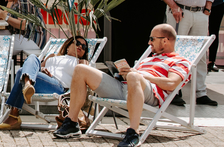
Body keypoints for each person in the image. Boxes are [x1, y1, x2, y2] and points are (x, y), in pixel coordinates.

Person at [54, 24, 190, 147]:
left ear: (164, 40)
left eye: (152, 39)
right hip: (126, 87)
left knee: (133, 76)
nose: (149, 42)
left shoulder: (179, 61)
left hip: (150, 93)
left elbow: (171, 84)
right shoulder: (149, 59)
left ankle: (133, 133)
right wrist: (121, 74)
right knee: (80, 69)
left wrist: (139, 75)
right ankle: (72, 123)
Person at [0, 36, 89, 130]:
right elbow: (34, 67)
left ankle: (14, 115)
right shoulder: (53, 56)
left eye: (84, 47)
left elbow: (85, 77)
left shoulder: (81, 62)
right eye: (77, 43)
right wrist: (42, 70)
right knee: (32, 57)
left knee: (21, 71)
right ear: (68, 45)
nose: (80, 46)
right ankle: (28, 85)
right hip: (41, 81)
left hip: (59, 87)